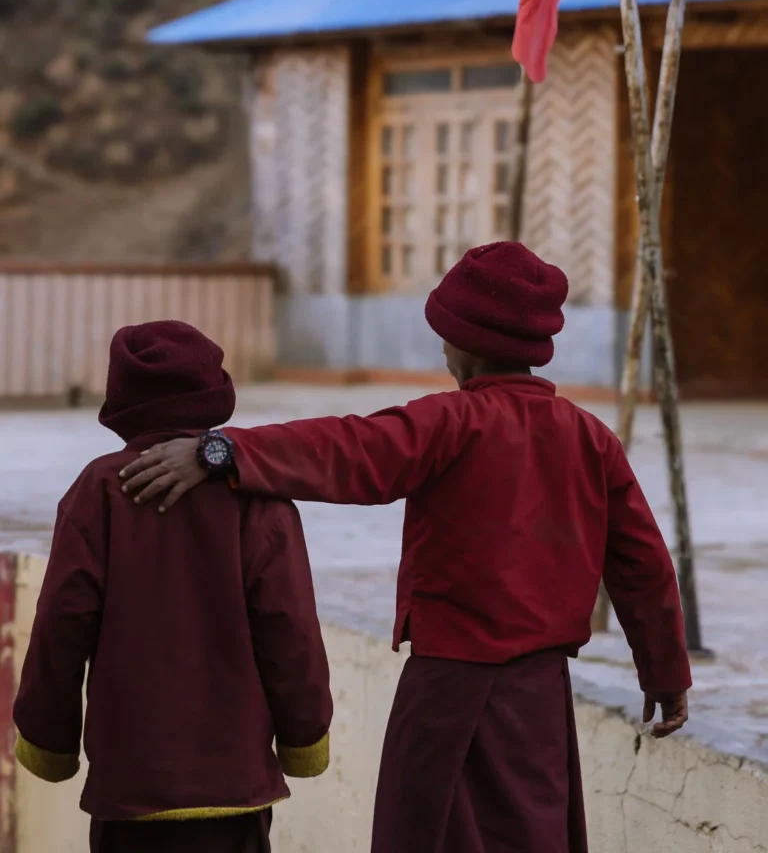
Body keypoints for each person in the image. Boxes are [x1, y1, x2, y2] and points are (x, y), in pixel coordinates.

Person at [121, 243, 692, 853]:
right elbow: (642, 562)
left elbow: (347, 450)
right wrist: (665, 672)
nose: (441, 350)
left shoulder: (452, 423)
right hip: (541, 697)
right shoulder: (590, 437)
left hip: (450, 690)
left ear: (466, 344)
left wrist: (222, 451)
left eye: (445, 336)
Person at [14, 320, 332, 853]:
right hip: (235, 785)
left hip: (129, 786)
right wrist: (305, 735)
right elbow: (289, 626)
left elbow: (61, 625)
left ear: (121, 403)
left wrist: (48, 736)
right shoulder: (257, 495)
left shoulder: (99, 489)